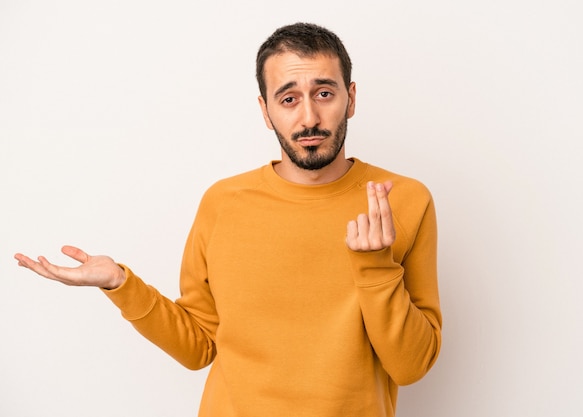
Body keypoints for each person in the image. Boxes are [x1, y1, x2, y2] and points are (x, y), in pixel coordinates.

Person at [14, 22, 442, 417]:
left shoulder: (403, 200)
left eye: (324, 93)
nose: (308, 117)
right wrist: (120, 285)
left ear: (351, 98)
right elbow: (199, 347)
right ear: (265, 109)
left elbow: (410, 366)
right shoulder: (223, 202)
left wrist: (375, 269)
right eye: (288, 98)